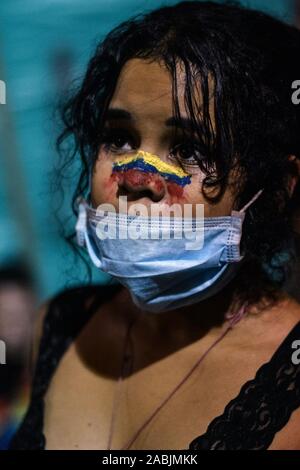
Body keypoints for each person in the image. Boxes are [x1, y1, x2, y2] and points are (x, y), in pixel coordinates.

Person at [9, 1, 300, 450]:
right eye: (119, 139)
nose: (139, 179)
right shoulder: (59, 327)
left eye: (188, 149)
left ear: (276, 189)